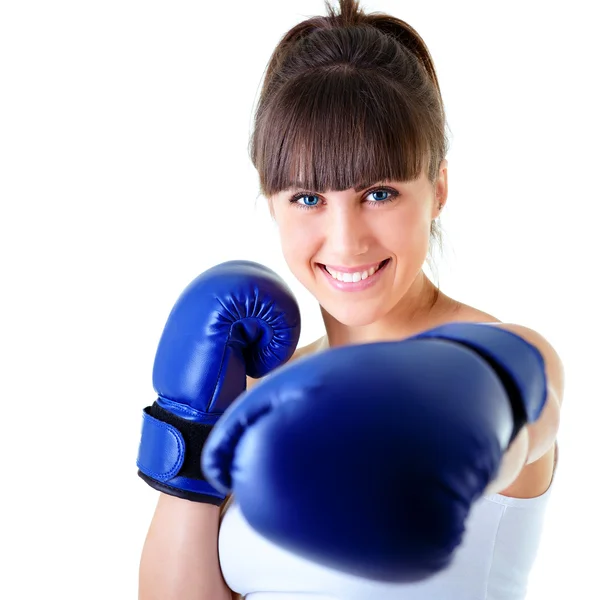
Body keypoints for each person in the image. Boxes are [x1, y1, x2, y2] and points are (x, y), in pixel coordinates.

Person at [137, 1, 564, 598]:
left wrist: (447, 430)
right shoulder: (260, 393)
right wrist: (191, 425)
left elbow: (525, 413)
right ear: (271, 202)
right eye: (308, 198)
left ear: (438, 187)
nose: (347, 241)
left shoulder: (501, 356)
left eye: (379, 192)